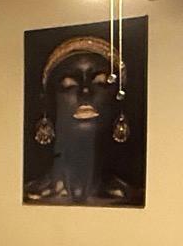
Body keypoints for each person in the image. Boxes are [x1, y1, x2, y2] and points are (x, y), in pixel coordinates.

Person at [25, 35, 138, 205]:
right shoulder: (30, 195)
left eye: (101, 82)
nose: (85, 92)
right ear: (49, 101)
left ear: (118, 99)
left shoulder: (130, 196)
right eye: (69, 84)